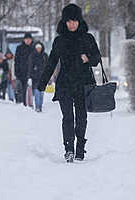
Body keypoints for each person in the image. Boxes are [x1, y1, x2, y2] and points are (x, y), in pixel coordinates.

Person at [38, 4, 101, 162]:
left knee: (81, 117)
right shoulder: (60, 41)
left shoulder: (88, 38)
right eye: (69, 21)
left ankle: (80, 148)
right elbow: (51, 62)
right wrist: (42, 83)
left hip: (83, 83)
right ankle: (69, 149)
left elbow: (97, 58)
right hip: (65, 83)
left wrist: (88, 58)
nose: (72, 24)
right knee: (67, 117)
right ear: (64, 22)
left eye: (75, 21)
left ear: (79, 21)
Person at [28, 42, 48, 112]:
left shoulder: (45, 56)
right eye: (37, 48)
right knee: (36, 92)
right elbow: (30, 67)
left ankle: (40, 106)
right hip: (35, 77)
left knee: (41, 93)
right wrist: (30, 76)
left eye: (40, 48)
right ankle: (37, 106)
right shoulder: (32, 56)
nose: (38, 49)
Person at [14, 33, 34, 106]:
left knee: (32, 89)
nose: (28, 40)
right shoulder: (19, 48)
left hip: (32, 72)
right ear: (24, 40)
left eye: (29, 39)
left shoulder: (34, 48)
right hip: (22, 72)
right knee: (23, 88)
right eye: (26, 39)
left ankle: (31, 103)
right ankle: (24, 103)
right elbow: (16, 61)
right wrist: (17, 72)